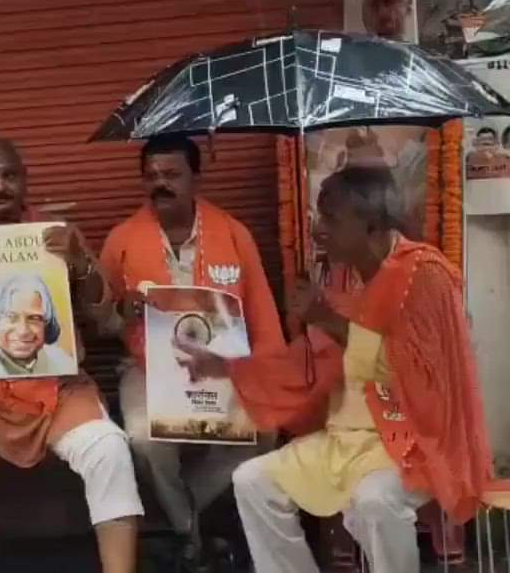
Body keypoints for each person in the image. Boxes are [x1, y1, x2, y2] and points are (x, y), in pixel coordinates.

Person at [183, 166, 492, 573]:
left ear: (371, 224)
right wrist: (227, 367)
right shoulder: (349, 284)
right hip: (348, 443)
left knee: (374, 500)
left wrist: (327, 318)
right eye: (315, 216)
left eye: (330, 218)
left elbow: (419, 370)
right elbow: (307, 368)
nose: (316, 229)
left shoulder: (424, 274)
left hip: (415, 440)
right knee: (253, 480)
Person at [0, 138, 143, 573]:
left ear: (24, 179)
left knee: (110, 450)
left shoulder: (57, 232)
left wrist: (79, 262)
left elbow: (101, 306)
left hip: (56, 389)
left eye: (8, 175)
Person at [97, 134, 285, 569]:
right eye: (151, 176)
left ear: (196, 177)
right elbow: (102, 319)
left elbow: (260, 311)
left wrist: (273, 378)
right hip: (147, 365)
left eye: (172, 174)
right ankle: (190, 529)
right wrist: (122, 310)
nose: (160, 184)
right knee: (144, 438)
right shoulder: (123, 239)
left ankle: (189, 523)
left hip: (225, 365)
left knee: (266, 429)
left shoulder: (233, 234)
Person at [0, 272, 77, 378]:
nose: (23, 331)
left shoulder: (63, 363)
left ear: (46, 323)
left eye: (34, 318)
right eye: (11, 317)